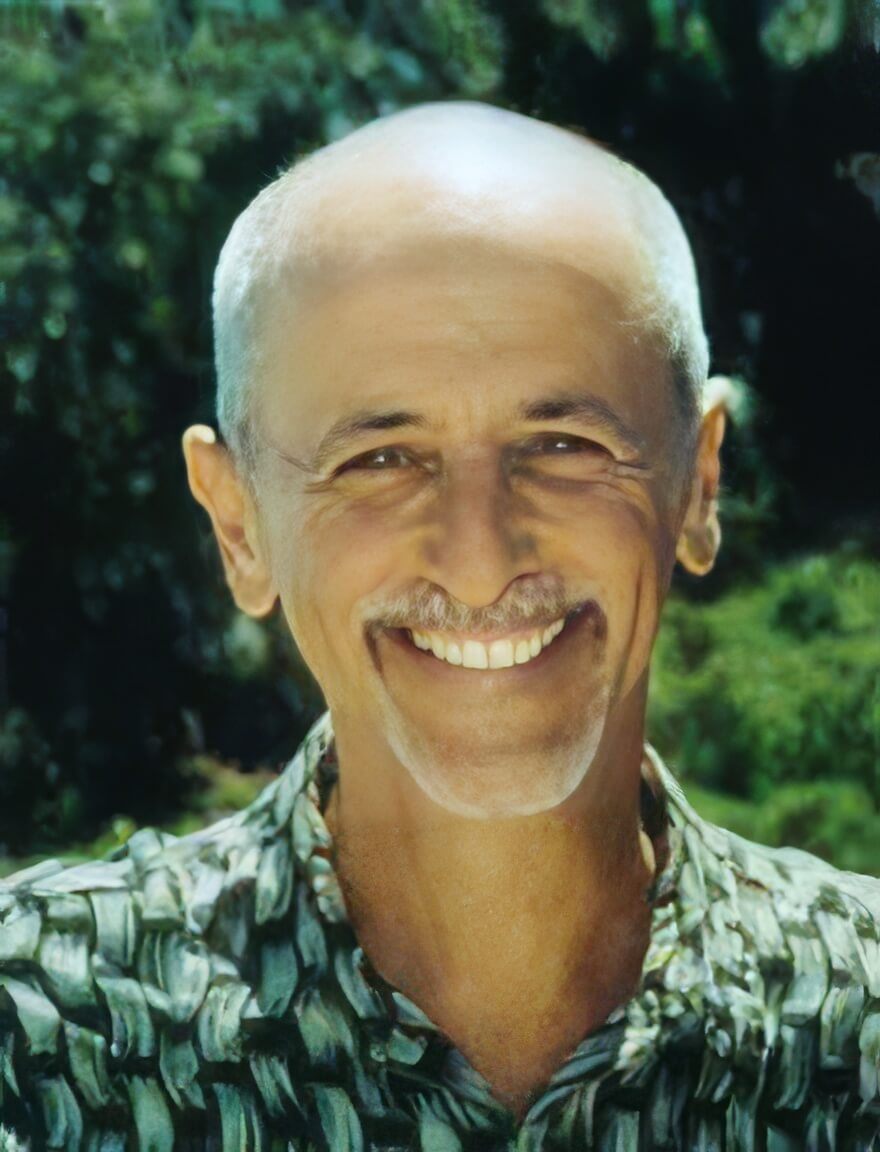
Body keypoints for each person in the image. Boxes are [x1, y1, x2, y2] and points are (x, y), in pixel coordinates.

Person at [1, 100, 877, 1152]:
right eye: (379, 460)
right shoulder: (44, 1040)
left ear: (698, 482)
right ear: (238, 525)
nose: (479, 559)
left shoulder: (857, 1034)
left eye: (563, 444)